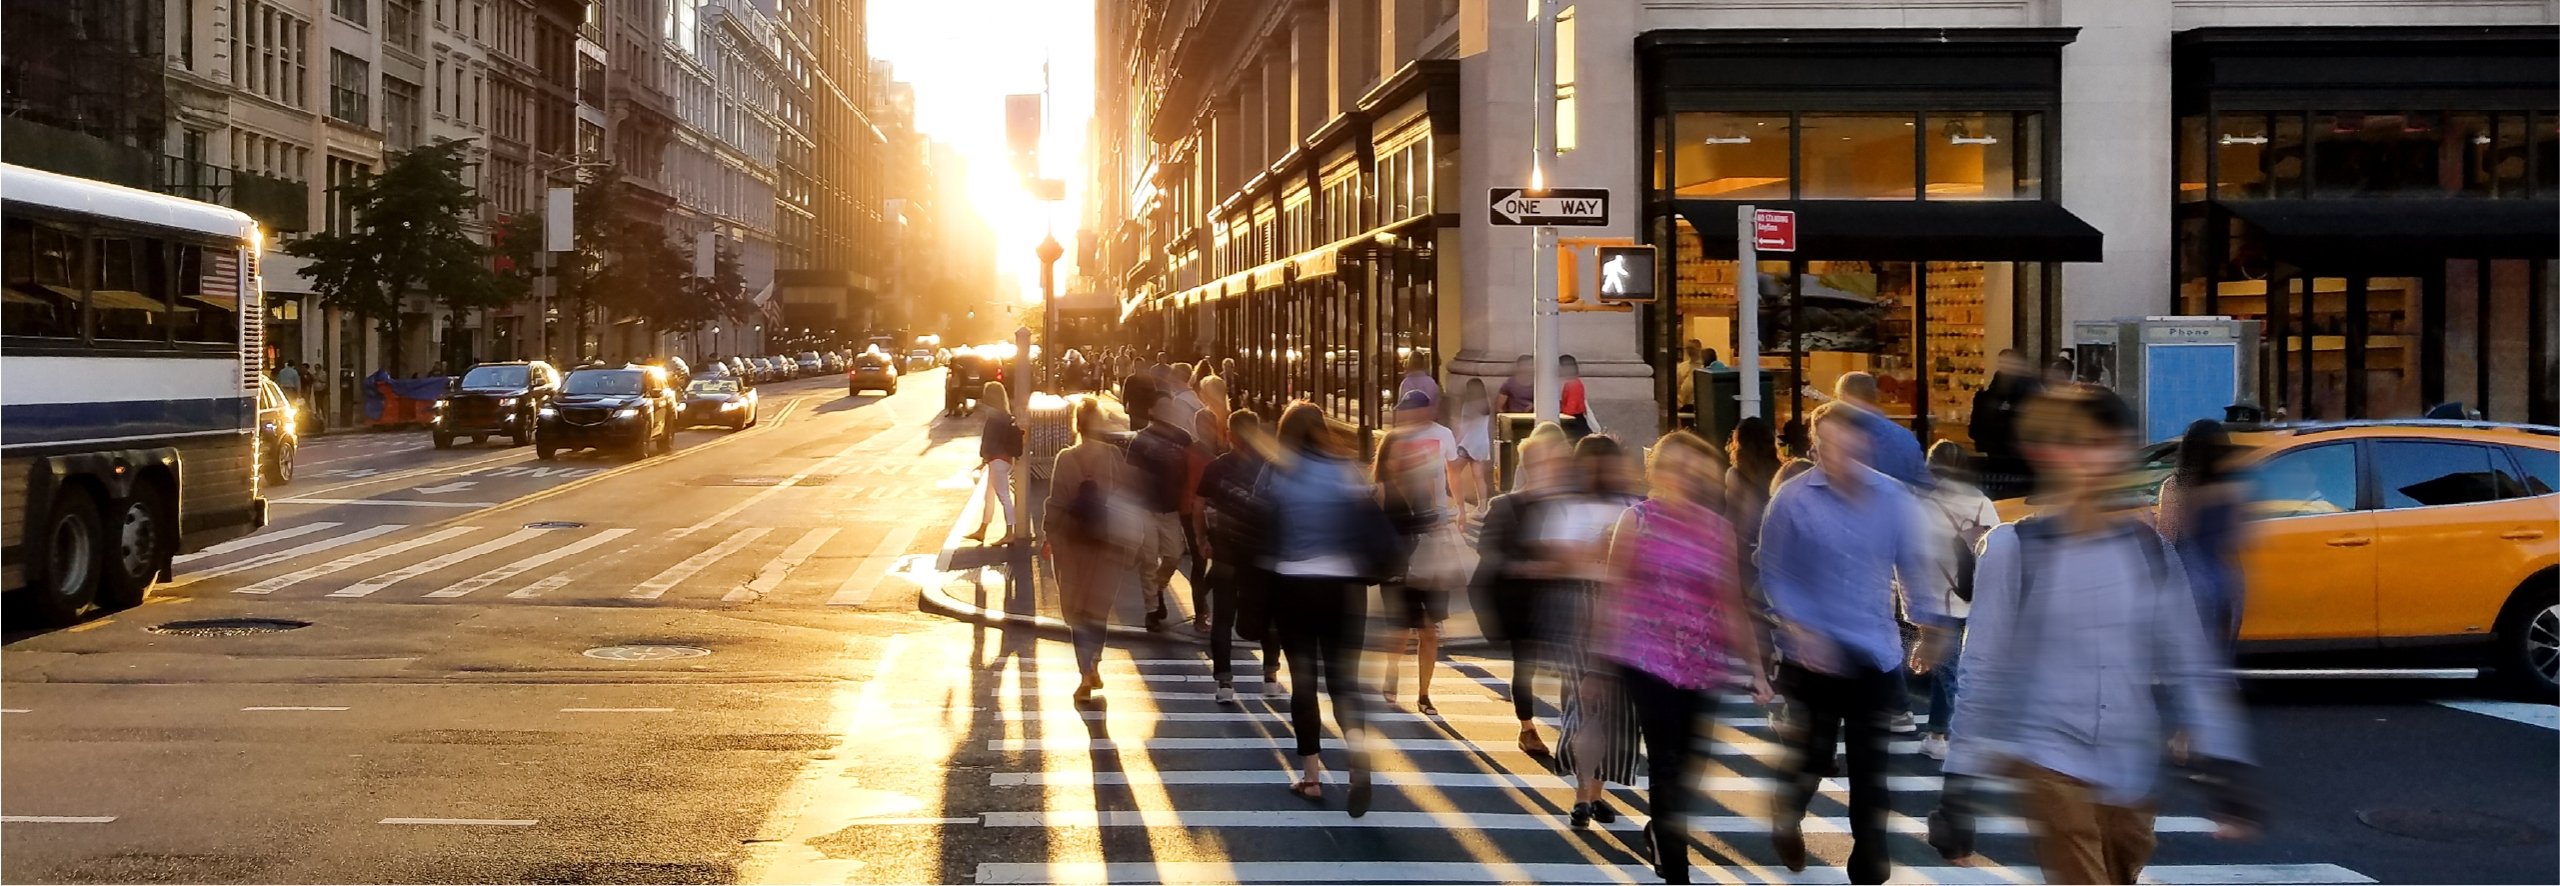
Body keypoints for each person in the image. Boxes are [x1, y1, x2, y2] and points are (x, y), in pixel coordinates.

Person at [1940, 387, 2258, 885]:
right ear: (2045, 451)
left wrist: (2226, 772)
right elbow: (1983, 664)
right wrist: (1958, 788)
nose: (2090, 461)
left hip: (2130, 762)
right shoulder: (2011, 549)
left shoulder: (2148, 550)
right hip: (2047, 756)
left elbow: (2189, 664)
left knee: (2121, 869)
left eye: (2104, 445)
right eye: (2075, 443)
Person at [1758, 402, 1947, 884]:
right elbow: (1774, 573)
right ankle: (1787, 815)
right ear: (1814, 446)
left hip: (1872, 651)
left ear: (1864, 443)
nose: (1837, 453)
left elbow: (1914, 568)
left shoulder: (1893, 498)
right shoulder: (1793, 499)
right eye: (1826, 444)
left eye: (1847, 442)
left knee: (1870, 769)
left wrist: (1926, 630)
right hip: (1810, 656)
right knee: (1812, 756)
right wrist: (1802, 630)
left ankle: (1868, 863)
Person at [1594, 430, 1770, 884]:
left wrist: (1756, 668)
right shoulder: (1635, 520)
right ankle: (1677, 871)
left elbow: (1731, 601)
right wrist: (1601, 662)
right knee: (1667, 762)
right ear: (1657, 472)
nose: (1683, 476)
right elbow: (1615, 593)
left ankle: (1660, 829)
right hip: (1646, 660)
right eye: (1674, 467)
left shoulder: (1717, 528)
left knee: (1690, 765)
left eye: (1692, 468)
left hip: (1702, 662)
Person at [1265, 402, 1378, 815]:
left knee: (1304, 683)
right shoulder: (1344, 470)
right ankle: (1357, 760)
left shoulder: (1278, 471)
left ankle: (1311, 777)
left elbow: (1262, 525)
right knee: (1344, 682)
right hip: (1344, 589)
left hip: (1293, 584)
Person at [1553, 434, 1647, 829]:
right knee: (1585, 703)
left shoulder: (1633, 507)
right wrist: (1602, 546)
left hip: (1624, 607)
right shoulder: (1567, 507)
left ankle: (1595, 792)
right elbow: (1561, 560)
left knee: (1615, 710)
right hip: (1580, 606)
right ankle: (1582, 793)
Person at [1473, 428, 1576, 756]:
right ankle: (1527, 727)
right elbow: (1487, 549)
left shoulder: (1567, 505)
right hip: (1522, 601)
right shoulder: (1505, 505)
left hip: (1561, 597)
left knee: (1569, 666)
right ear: (1528, 465)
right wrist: (1524, 567)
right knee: (1525, 664)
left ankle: (1570, 728)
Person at [1373, 389, 1462, 716]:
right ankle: (1392, 670)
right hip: (1397, 568)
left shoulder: (1424, 487)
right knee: (1399, 629)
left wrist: (1444, 526)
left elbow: (1436, 518)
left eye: (1407, 455)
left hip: (1428, 564)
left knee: (1429, 630)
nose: (1403, 460)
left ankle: (1424, 694)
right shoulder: (1381, 491)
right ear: (1386, 459)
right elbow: (1375, 530)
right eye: (1397, 456)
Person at [1912, 440, 1999, 762]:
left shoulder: (1922, 506)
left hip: (1938, 597)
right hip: (1976, 594)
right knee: (1967, 669)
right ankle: (1947, 731)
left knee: (1946, 670)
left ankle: (1944, 734)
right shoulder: (1981, 503)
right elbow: (1999, 546)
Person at [1046, 398, 1133, 703]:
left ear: (1077, 425)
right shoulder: (1113, 456)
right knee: (1098, 609)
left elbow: (1055, 502)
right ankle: (1094, 660)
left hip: (1071, 545)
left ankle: (1084, 671)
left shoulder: (1065, 459)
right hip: (1106, 544)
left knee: (1077, 611)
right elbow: (1124, 499)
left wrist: (1049, 535)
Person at [1200, 409, 1284, 702]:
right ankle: (1270, 676)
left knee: (1223, 617)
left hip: (1226, 552)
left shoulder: (1216, 468)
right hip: (1263, 553)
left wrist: (1202, 540)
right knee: (1270, 614)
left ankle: (1224, 683)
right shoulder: (1271, 467)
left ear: (1229, 435)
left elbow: (1201, 507)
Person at [2156, 419, 2250, 654]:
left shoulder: (2176, 486)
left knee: (2194, 651)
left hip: (2189, 576)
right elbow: (2235, 535)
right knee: (2220, 649)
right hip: (2227, 575)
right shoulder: (2234, 487)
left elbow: (2168, 536)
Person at [1127, 386, 1198, 632]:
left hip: (1171, 508)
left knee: (1173, 555)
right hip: (1146, 508)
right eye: (1163, 407)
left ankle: (1158, 587)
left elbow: (1191, 469)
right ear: (1152, 411)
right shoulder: (1140, 440)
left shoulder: (1183, 438)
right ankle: (1152, 610)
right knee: (1148, 559)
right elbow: (1130, 474)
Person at [1831, 372, 1930, 488]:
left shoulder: (1834, 440)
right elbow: (1924, 485)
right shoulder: (1906, 437)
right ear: (1876, 396)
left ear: (1842, 397)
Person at [1968, 349, 2044, 497]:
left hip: (2016, 448)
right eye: (2002, 362)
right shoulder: (1999, 382)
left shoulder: (2027, 385)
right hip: (1999, 445)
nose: (2004, 366)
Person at [967, 381, 1024, 544]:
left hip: (997, 460)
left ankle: (1010, 533)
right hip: (1003, 460)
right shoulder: (1005, 416)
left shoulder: (994, 417)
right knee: (989, 496)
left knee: (1003, 496)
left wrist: (984, 459)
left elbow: (989, 442)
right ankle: (982, 529)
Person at [1450, 378, 1496, 516]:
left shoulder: (1468, 406)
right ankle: (1482, 508)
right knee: (1479, 477)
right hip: (1481, 444)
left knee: (1453, 472)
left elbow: (1464, 428)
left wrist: (1455, 443)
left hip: (1467, 444)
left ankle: (1458, 505)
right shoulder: (1486, 406)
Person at [1559, 355, 1596, 437]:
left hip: (1574, 422)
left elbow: (1571, 409)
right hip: (1573, 420)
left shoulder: (1574, 384)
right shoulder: (1571, 383)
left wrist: (1559, 410)